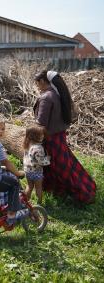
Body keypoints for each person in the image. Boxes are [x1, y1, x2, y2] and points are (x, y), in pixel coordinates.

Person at [33, 70, 96, 204]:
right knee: (64, 164)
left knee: (62, 167)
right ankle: (58, 189)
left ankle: (83, 193)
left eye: (37, 83)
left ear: (43, 81)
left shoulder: (46, 97)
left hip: (50, 138)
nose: (37, 86)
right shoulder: (57, 94)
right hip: (60, 136)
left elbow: (41, 123)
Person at [23, 125, 50, 204]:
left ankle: (25, 201)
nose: (43, 136)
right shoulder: (38, 148)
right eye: (41, 135)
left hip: (27, 170)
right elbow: (41, 161)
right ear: (34, 136)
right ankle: (39, 203)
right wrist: (47, 159)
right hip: (36, 172)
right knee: (38, 188)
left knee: (29, 186)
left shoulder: (27, 144)